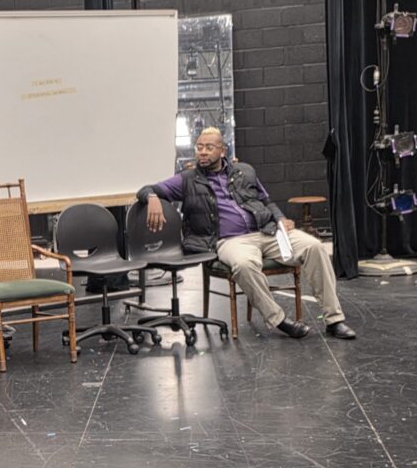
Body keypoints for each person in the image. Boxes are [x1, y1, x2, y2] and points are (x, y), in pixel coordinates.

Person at [137, 128, 356, 340]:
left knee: (314, 246)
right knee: (244, 265)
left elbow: (266, 201)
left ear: (222, 151)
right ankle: (279, 320)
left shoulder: (245, 171)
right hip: (229, 241)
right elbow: (146, 189)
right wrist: (153, 198)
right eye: (199, 147)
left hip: (266, 231)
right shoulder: (187, 179)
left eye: (209, 147)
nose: (202, 152)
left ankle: (334, 319)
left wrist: (280, 218)